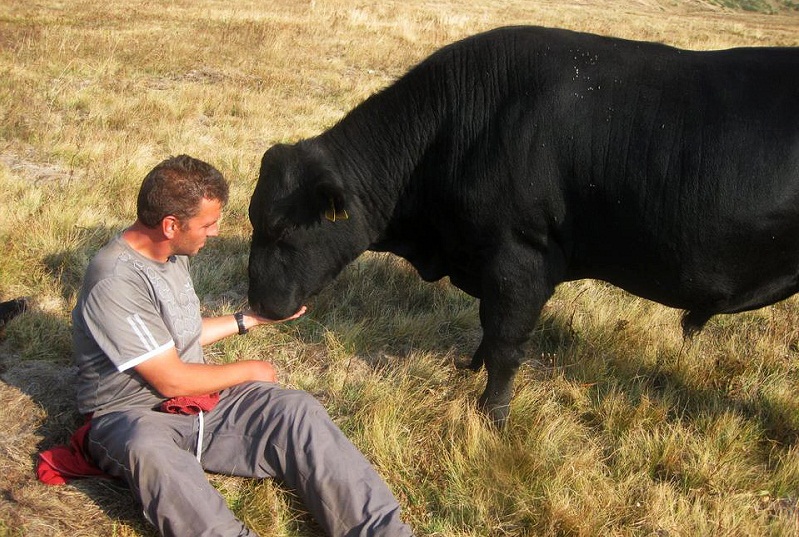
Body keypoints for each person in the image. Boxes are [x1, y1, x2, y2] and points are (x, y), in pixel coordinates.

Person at [71, 155, 413, 537]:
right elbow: (170, 380)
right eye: (208, 223)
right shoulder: (114, 279)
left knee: (294, 410)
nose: (215, 232)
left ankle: (381, 531)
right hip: (131, 415)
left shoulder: (168, 254)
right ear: (170, 225)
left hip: (199, 404)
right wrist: (251, 370)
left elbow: (175, 334)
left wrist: (246, 320)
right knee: (150, 451)